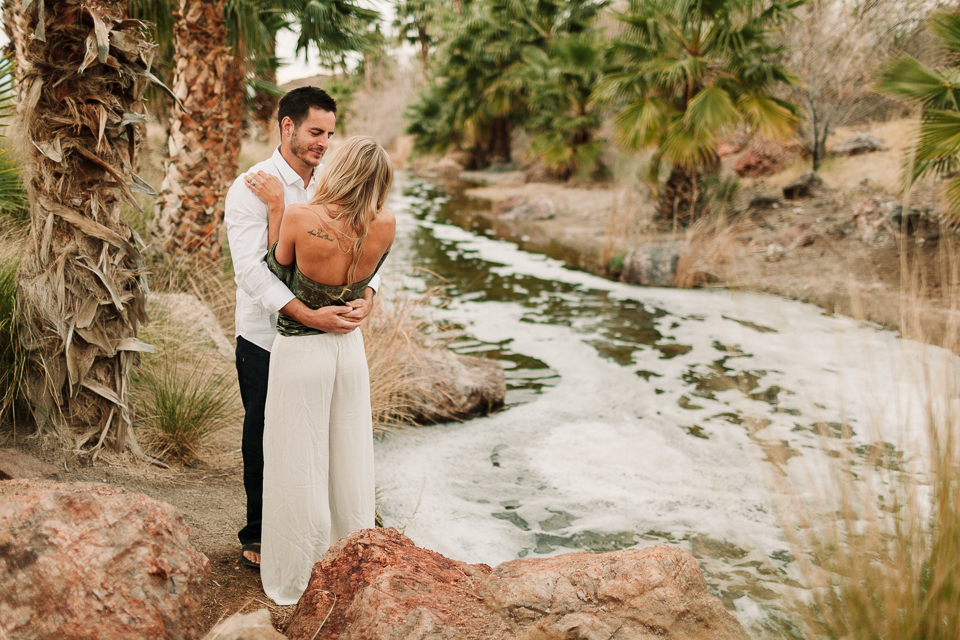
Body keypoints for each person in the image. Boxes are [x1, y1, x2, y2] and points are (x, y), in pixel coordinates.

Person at [224, 87, 380, 570]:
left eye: (331, 134)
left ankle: (329, 534)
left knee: (327, 435)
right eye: (316, 132)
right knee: (267, 434)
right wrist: (308, 315)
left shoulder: (336, 181)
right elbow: (251, 273)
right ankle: (260, 531)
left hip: (329, 341)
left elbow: (366, 245)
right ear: (287, 126)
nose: (324, 144)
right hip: (267, 337)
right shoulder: (252, 185)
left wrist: (370, 298)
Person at [256, 135, 395, 605]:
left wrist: (277, 207)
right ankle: (348, 570)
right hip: (349, 352)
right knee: (348, 459)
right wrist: (367, 301)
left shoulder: (301, 216)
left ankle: (296, 578)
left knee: (297, 460)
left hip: (302, 352)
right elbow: (370, 279)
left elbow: (276, 271)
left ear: (340, 170)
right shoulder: (386, 223)